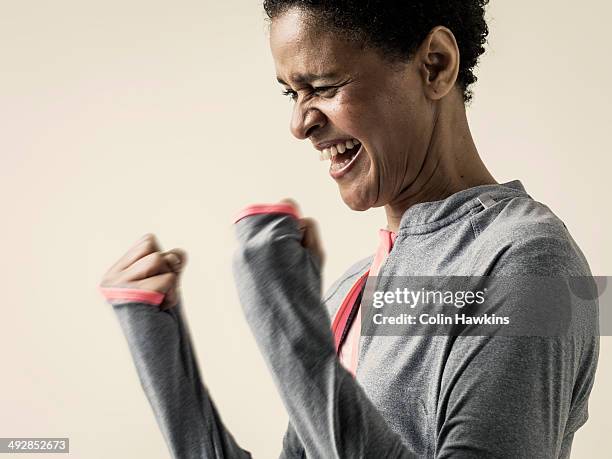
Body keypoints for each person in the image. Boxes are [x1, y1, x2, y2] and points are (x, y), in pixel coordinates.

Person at [99, 1, 600, 458]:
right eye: (291, 93)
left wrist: (285, 321)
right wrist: (155, 340)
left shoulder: (532, 264)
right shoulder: (351, 291)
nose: (299, 124)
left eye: (323, 86)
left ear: (436, 65)